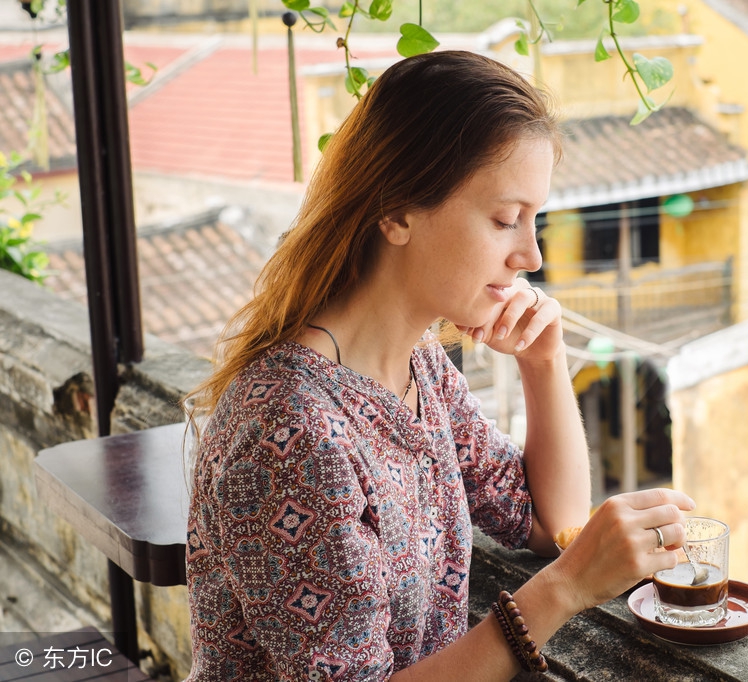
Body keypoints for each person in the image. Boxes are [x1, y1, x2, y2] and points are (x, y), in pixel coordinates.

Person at [183, 49, 696, 681]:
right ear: (397, 211)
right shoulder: (290, 432)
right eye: (506, 220)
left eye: (535, 222)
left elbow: (548, 521)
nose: (530, 255)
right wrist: (562, 590)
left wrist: (545, 361)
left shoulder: (418, 369)